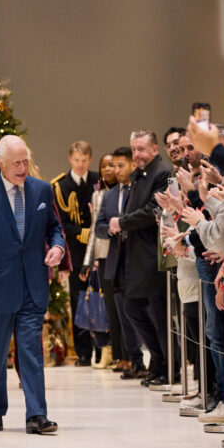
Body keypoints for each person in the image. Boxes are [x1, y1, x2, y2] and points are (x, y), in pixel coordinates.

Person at [0, 135, 65, 434]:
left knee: (31, 351)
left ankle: (36, 414)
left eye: (25, 161)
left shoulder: (42, 190)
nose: (23, 168)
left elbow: (55, 228)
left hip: (33, 286)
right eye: (16, 163)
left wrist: (58, 247)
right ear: (1, 164)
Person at [108, 131, 172, 385]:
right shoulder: (140, 175)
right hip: (135, 255)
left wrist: (122, 222)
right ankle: (157, 360)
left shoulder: (162, 173)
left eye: (142, 149)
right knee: (132, 308)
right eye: (134, 149)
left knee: (158, 314)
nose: (137, 154)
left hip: (152, 255)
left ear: (154, 150)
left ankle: (168, 366)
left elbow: (154, 210)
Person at [95, 147, 146, 379]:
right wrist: (114, 228)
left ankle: (154, 360)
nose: (115, 170)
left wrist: (123, 224)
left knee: (141, 313)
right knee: (121, 314)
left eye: (119, 166)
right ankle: (133, 360)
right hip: (115, 261)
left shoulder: (139, 190)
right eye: (113, 166)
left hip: (138, 258)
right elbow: (100, 227)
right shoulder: (109, 195)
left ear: (132, 166)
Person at [51, 141, 99, 366]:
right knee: (79, 299)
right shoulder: (60, 186)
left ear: (89, 159)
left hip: (99, 249)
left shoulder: (98, 180)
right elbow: (61, 222)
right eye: (76, 160)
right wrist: (84, 233)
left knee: (100, 297)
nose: (80, 165)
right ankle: (83, 353)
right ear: (70, 159)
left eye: (84, 160)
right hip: (76, 251)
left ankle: (103, 349)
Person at [81, 153, 118, 369]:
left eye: (112, 166)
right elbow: (95, 229)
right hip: (102, 256)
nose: (107, 170)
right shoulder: (98, 196)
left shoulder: (125, 191)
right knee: (104, 307)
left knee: (121, 306)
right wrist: (89, 260)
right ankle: (108, 349)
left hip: (122, 253)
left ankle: (122, 351)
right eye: (103, 166)